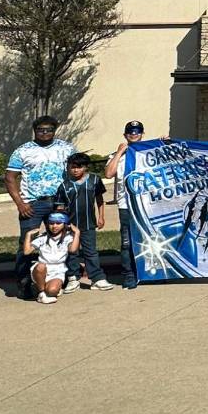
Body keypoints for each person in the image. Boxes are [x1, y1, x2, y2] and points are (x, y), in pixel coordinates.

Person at [6, 115, 76, 299]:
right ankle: (24, 283)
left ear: (55, 130)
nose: (45, 133)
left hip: (59, 203)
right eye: (40, 130)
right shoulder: (23, 151)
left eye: (49, 130)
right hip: (33, 204)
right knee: (27, 242)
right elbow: (10, 178)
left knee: (62, 239)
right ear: (35, 131)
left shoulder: (66, 148)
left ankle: (64, 278)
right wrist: (20, 203)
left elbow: (77, 171)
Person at [53, 152, 114, 292]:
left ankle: (97, 278)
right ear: (68, 168)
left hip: (88, 223)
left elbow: (99, 199)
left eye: (79, 167)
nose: (75, 170)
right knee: (72, 252)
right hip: (70, 226)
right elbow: (59, 207)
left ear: (86, 167)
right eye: (72, 167)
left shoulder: (94, 180)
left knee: (91, 252)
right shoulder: (64, 186)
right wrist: (62, 224)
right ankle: (73, 278)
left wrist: (101, 217)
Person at [101, 121, 151, 289]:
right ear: (125, 135)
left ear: (142, 134)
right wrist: (119, 152)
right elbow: (109, 174)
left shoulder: (150, 152)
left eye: (137, 132)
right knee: (127, 242)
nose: (134, 134)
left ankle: (149, 272)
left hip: (147, 204)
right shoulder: (118, 155)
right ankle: (129, 274)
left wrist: (165, 143)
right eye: (130, 132)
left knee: (148, 238)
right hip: (126, 204)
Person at [22, 212, 80, 304]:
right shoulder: (43, 238)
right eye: (51, 223)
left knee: (52, 291)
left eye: (58, 223)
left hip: (58, 270)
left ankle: (45, 288)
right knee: (41, 266)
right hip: (42, 269)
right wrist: (28, 235)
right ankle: (41, 293)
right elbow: (26, 251)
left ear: (65, 224)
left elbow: (73, 250)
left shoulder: (68, 238)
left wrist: (77, 233)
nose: (54, 226)